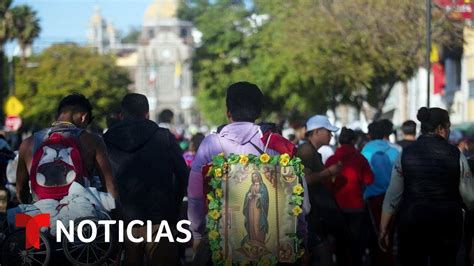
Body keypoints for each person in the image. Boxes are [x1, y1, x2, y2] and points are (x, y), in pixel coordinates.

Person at [187, 81, 309, 265]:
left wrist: (197, 234)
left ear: (228, 111)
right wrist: (300, 236)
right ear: (259, 112)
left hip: (221, 243)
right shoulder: (278, 145)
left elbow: (195, 196)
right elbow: (299, 200)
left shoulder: (211, 144)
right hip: (274, 246)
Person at [380, 107, 473, 266]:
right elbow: (469, 196)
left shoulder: (406, 153)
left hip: (412, 223)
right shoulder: (456, 154)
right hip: (447, 225)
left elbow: (393, 194)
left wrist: (383, 227)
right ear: (441, 129)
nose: (449, 131)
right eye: (448, 127)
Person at [104, 93, 189, 266]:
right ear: (147, 113)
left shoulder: (106, 140)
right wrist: (175, 204)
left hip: (124, 218)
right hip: (161, 216)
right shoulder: (164, 137)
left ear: (122, 114)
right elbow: (183, 175)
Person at [16, 93, 119, 204]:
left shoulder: (28, 144)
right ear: (84, 117)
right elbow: (110, 186)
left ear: (59, 114)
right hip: (79, 213)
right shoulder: (92, 141)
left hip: (42, 216)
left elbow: (21, 191)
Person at [296, 115, 347, 266]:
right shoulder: (306, 150)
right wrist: (329, 172)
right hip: (311, 217)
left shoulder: (311, 150)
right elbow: (308, 179)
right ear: (316, 132)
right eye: (328, 131)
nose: (331, 135)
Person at [325, 127, 374, 266]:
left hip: (337, 207)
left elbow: (326, 183)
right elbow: (369, 180)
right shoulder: (360, 158)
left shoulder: (331, 159)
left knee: (340, 243)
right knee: (356, 243)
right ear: (353, 141)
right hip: (356, 207)